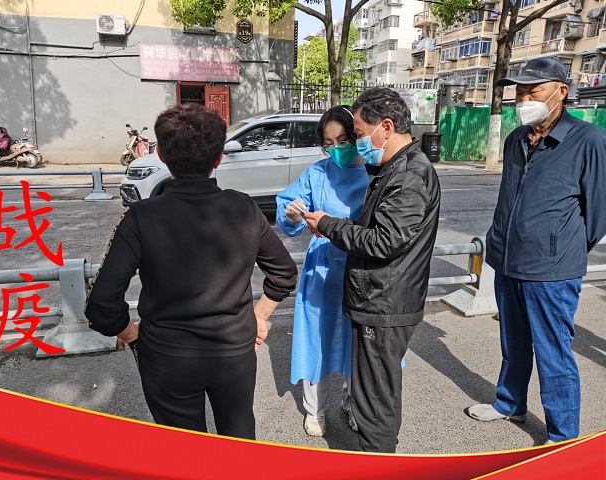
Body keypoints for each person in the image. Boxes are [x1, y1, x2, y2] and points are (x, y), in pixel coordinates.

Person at [85, 103, 298, 440]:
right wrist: (259, 316)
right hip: (234, 351)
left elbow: (101, 304)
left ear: (162, 156)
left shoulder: (141, 217)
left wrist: (128, 332)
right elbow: (284, 273)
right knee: (240, 438)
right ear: (218, 158)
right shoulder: (244, 207)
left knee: (183, 449)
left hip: (167, 355)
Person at [464, 56, 606, 444]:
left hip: (552, 271)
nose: (524, 99)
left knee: (552, 352)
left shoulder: (588, 140)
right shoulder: (516, 139)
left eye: (534, 91)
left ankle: (563, 436)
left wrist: (558, 246)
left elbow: (598, 215)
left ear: (561, 92)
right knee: (513, 342)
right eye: (520, 92)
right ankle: (510, 403)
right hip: (507, 261)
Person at [302, 87, 441, 452]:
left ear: (387, 127)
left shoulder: (408, 175)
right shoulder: (393, 168)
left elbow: (384, 242)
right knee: (373, 394)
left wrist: (329, 225)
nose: (358, 142)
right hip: (380, 298)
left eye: (360, 134)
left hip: (384, 302)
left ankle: (376, 461)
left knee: (375, 403)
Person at [276, 106, 370, 437]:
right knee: (318, 336)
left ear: (357, 136)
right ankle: (314, 409)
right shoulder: (316, 173)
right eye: (328, 144)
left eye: (343, 141)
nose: (336, 149)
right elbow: (287, 207)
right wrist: (291, 214)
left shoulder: (374, 174)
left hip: (362, 266)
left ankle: (354, 404)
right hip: (323, 267)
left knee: (358, 342)